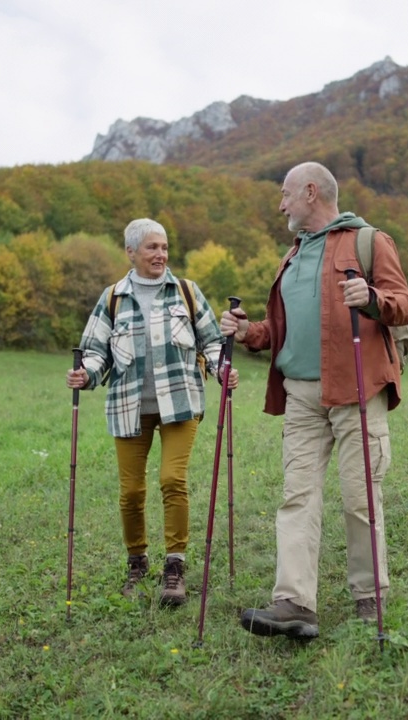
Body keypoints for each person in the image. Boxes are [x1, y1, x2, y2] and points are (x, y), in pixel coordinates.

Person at [220, 162, 408, 639]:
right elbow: (281, 331)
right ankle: (293, 603)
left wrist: (369, 296)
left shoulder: (369, 241)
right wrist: (248, 332)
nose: (281, 204)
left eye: (286, 195)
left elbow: (403, 303)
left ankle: (370, 598)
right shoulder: (293, 255)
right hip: (301, 394)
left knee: (359, 497)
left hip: (356, 390)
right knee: (297, 496)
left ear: (311, 192)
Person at [66, 218, 238, 607]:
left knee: (172, 479)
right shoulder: (112, 298)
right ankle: (137, 562)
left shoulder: (186, 293)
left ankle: (175, 566)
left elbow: (213, 343)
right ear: (131, 252)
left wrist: (222, 368)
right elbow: (95, 352)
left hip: (180, 404)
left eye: (164, 247)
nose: (160, 254)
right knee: (130, 492)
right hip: (130, 408)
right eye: (152, 248)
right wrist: (85, 374)